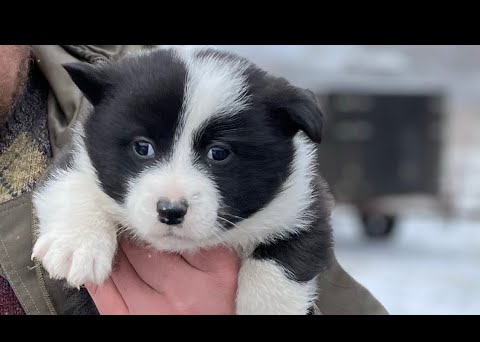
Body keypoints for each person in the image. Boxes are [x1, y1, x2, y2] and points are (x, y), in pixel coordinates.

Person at [0, 45, 388, 315]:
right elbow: (73, 182)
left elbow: (305, 238)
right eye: (143, 149)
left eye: (219, 154)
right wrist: (83, 225)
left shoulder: (288, 201)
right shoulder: (117, 105)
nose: (173, 196)